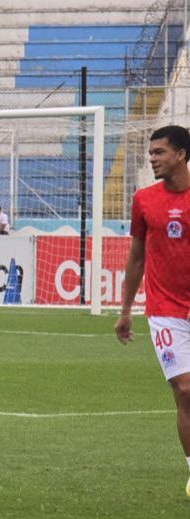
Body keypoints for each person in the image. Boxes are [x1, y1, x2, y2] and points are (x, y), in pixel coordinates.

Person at [116, 124, 190, 496]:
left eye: (159, 152)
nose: (152, 159)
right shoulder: (144, 200)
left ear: (181, 155)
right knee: (185, 388)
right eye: (150, 152)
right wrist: (126, 309)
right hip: (165, 310)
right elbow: (136, 258)